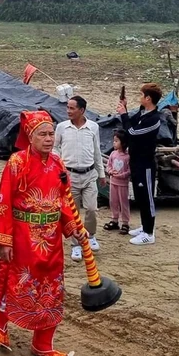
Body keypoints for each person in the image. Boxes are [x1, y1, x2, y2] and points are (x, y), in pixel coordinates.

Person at [0, 110, 87, 356]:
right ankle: (0, 321)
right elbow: (4, 202)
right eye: (42, 134)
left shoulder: (57, 164)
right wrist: (4, 240)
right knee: (18, 284)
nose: (48, 139)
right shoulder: (17, 162)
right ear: (30, 137)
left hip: (52, 239)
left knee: (51, 290)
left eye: (51, 133)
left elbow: (65, 200)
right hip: (23, 235)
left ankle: (43, 344)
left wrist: (73, 226)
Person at [53, 95, 105, 261]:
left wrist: (101, 174)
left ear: (82, 110)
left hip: (90, 175)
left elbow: (97, 152)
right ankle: (76, 244)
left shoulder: (93, 127)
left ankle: (90, 236)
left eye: (72, 108)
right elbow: (55, 148)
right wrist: (58, 167)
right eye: (67, 108)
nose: (68, 111)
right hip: (70, 176)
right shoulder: (61, 128)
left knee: (91, 208)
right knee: (72, 212)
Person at [117, 82, 162, 246]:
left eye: (141, 95)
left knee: (147, 197)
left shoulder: (154, 119)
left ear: (148, 98)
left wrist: (122, 114)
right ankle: (144, 226)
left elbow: (133, 132)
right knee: (139, 195)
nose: (139, 97)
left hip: (146, 164)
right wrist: (125, 110)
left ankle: (149, 233)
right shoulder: (143, 113)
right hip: (135, 162)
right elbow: (129, 123)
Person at [104, 130, 131, 235]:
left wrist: (122, 175)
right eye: (114, 141)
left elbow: (129, 170)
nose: (114, 143)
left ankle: (125, 223)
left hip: (123, 184)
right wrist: (110, 172)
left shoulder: (127, 156)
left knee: (123, 203)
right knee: (113, 202)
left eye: (116, 141)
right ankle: (114, 220)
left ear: (123, 142)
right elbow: (109, 166)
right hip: (113, 182)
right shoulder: (113, 154)